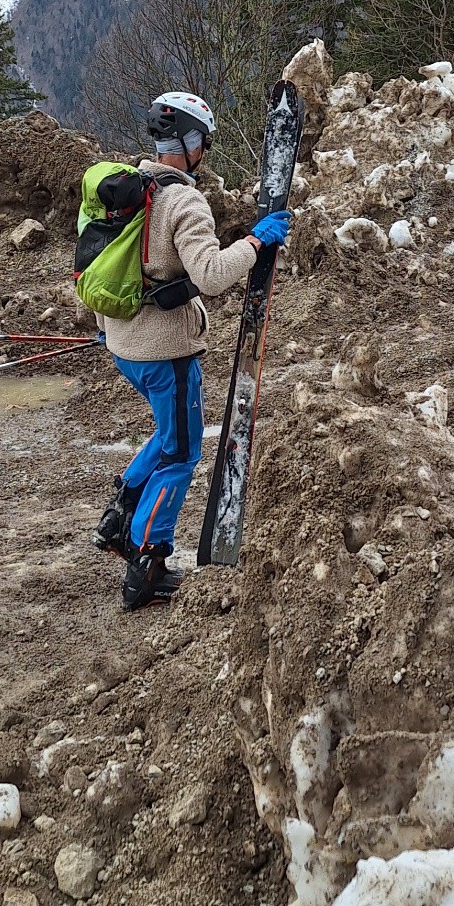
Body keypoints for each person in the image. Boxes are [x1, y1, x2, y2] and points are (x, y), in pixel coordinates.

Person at [91, 91, 289, 609]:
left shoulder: (128, 189)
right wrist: (255, 241)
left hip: (123, 344)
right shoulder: (184, 201)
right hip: (166, 354)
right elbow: (213, 276)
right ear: (192, 141)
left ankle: (119, 516)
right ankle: (148, 561)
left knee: (167, 433)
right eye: (204, 142)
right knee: (182, 452)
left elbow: (100, 264)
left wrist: (105, 327)